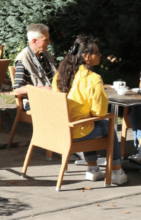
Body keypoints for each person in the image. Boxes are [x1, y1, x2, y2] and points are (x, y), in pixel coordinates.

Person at [54, 36, 127, 185]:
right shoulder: (93, 78)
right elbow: (99, 112)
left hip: (58, 128)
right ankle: (117, 171)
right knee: (108, 125)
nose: (100, 56)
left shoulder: (60, 74)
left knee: (88, 121)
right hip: (75, 130)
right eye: (97, 53)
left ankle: (93, 169)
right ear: (86, 57)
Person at [12, 23, 58, 107]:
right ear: (34, 41)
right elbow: (18, 89)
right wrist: (43, 89)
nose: (49, 42)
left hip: (53, 97)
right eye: (46, 40)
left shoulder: (47, 55)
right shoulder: (23, 59)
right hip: (34, 102)